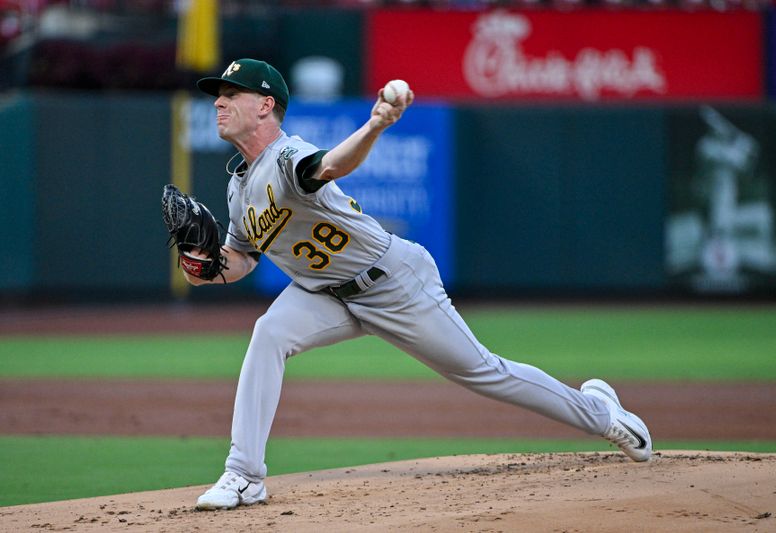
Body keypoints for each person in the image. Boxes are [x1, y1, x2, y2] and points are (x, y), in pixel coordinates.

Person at [189, 58, 652, 511]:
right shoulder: (238, 187)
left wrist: (374, 127)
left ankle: (602, 414)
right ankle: (245, 475)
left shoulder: (287, 155)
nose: (219, 104)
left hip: (392, 282)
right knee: (269, 333)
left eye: (231, 95)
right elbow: (242, 259)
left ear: (266, 104)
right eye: (218, 97)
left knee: (484, 372)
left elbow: (330, 165)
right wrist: (208, 266)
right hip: (323, 294)